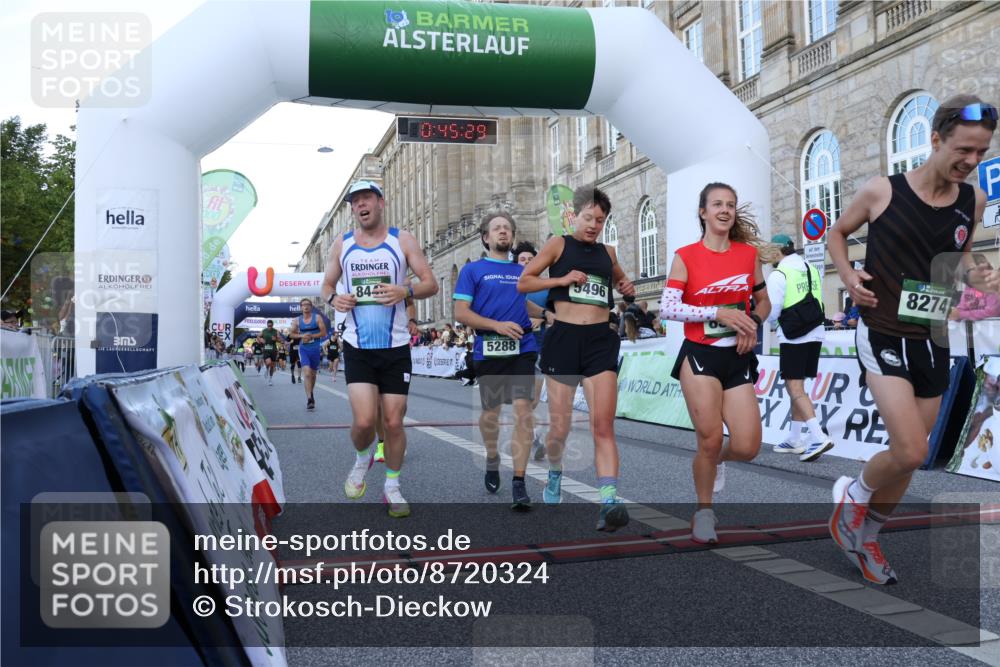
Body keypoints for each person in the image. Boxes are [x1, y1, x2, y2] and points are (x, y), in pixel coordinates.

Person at [827, 95, 996, 585]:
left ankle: (868, 539)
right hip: (882, 331)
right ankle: (852, 500)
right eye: (964, 149)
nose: (971, 162)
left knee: (910, 456)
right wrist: (848, 276)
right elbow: (838, 234)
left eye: (981, 152)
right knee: (911, 451)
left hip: (934, 335)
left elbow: (957, 258)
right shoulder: (882, 191)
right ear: (936, 138)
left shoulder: (974, 200)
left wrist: (979, 277)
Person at [660, 182, 773, 544]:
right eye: (717, 204)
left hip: (736, 356)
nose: (725, 210)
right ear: (703, 212)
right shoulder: (687, 255)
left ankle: (718, 460)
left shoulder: (747, 255)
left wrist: (752, 323)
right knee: (708, 439)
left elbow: (764, 302)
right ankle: (704, 512)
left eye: (731, 204)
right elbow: (668, 308)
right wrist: (718, 312)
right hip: (700, 354)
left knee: (748, 446)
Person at [518, 185, 635, 531]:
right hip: (564, 340)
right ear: (575, 215)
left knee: (603, 424)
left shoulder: (608, 253)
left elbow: (623, 283)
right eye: (588, 218)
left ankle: (609, 501)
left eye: (600, 220)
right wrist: (563, 278)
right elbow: (524, 283)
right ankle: (554, 473)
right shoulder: (558, 244)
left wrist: (626, 288)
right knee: (560, 427)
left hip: (600, 341)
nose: (594, 225)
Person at [322, 179, 438, 518]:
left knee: (393, 422)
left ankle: (392, 486)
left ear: (380, 202)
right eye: (355, 201)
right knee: (363, 421)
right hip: (358, 344)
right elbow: (326, 285)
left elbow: (429, 282)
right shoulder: (341, 245)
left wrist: (407, 292)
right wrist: (333, 298)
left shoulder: (401, 240)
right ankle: (362, 458)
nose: (361, 205)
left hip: (395, 346)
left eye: (366, 198)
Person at [455, 212, 546, 509]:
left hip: (522, 347)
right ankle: (492, 456)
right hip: (490, 348)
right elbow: (461, 312)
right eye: (496, 228)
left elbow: (524, 302)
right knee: (491, 415)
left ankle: (519, 481)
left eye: (507, 228)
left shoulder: (523, 271)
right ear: (485, 237)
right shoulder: (473, 270)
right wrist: (496, 326)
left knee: (523, 410)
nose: (503, 232)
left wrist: (545, 314)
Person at [766, 233, 834, 461]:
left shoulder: (779, 274)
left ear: (777, 252)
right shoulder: (810, 267)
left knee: (794, 388)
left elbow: (773, 310)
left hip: (794, 335)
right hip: (815, 332)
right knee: (797, 387)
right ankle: (795, 438)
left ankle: (817, 437)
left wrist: (768, 321)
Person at [516, 241, 555, 462]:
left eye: (531, 259)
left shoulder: (545, 285)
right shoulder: (513, 284)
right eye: (522, 259)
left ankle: (534, 435)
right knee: (525, 399)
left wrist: (543, 318)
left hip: (542, 344)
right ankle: (533, 436)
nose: (527, 263)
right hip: (519, 345)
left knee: (534, 400)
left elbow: (554, 311)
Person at [289, 298, 328, 410]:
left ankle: (311, 392)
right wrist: (302, 336)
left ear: (311, 307)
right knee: (306, 373)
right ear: (301, 307)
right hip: (304, 349)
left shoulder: (317, 318)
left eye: (307, 305)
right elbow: (291, 334)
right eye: (303, 305)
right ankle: (309, 399)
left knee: (313, 375)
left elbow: (324, 332)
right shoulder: (297, 320)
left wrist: (311, 336)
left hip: (315, 349)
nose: (305, 307)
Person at [950, 253, 1000, 321]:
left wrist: (961, 315)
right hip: (977, 329)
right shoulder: (968, 288)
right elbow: (961, 308)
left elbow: (992, 311)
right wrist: (954, 313)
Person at [260, 320, 279, 385]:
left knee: (272, 366)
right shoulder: (264, 331)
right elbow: (258, 336)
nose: (269, 327)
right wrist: (261, 339)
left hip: (273, 350)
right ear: (267, 325)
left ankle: (270, 379)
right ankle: (266, 369)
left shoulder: (276, 331)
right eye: (268, 326)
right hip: (266, 350)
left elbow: (280, 340)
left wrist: (276, 339)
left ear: (272, 325)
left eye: (270, 326)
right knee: (268, 362)